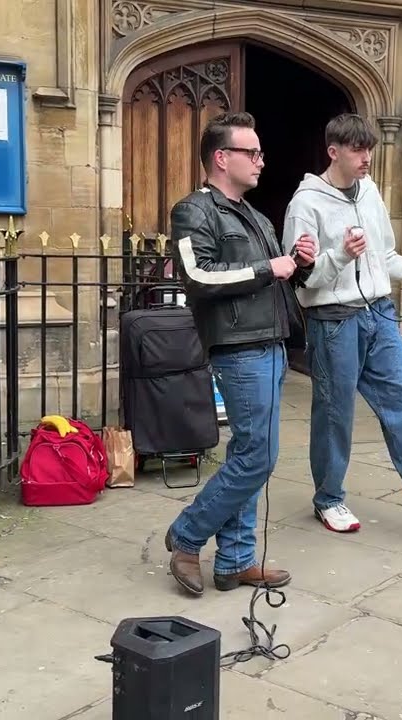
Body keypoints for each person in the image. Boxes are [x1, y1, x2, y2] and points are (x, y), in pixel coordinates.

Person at [280, 113, 402, 534]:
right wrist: (340, 256)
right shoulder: (305, 204)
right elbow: (302, 279)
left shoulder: (370, 192)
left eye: (369, 148)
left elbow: (384, 256)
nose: (367, 157)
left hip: (379, 314)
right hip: (333, 319)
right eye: (357, 149)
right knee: (335, 414)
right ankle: (329, 499)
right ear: (334, 151)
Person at [164, 112, 317, 595]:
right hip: (238, 349)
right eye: (251, 153)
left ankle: (235, 561)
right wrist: (267, 267)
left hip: (270, 343)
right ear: (221, 157)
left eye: (260, 153)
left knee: (251, 454)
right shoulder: (194, 210)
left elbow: (280, 277)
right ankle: (187, 535)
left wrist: (301, 264)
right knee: (256, 457)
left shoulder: (255, 215)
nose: (261, 161)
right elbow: (198, 277)